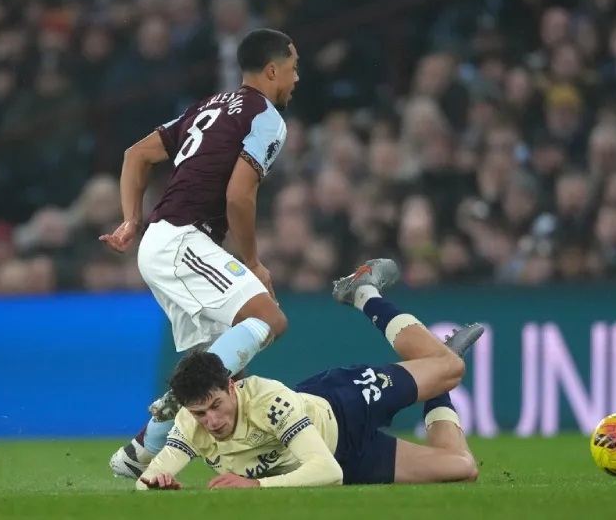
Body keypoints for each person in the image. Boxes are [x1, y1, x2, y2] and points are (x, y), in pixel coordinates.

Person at [101, 28, 299, 477]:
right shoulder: (266, 116)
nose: (296, 78)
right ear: (272, 70)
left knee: (218, 371)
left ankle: (140, 453)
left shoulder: (208, 107)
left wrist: (132, 220)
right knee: (269, 320)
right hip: (181, 241)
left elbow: (136, 155)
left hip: (164, 240)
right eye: (293, 67)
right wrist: (253, 262)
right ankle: (175, 401)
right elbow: (239, 197)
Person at [136, 259, 480, 489]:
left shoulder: (269, 400)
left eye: (214, 406)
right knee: (462, 467)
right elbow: (146, 480)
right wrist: (158, 484)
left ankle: (362, 292)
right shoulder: (191, 421)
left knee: (452, 369)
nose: (210, 421)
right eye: (200, 413)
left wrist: (256, 485)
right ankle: (439, 371)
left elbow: (327, 473)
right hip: (346, 457)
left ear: (231, 386)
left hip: (344, 403)